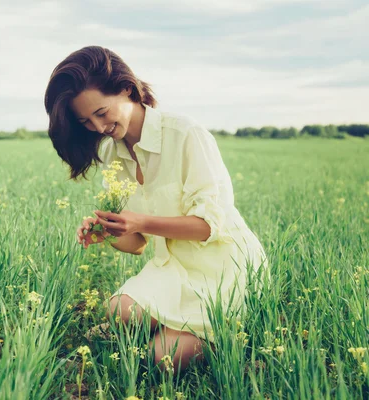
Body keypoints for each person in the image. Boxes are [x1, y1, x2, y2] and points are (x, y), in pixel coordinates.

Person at [44, 45, 268, 372]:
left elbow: (209, 226)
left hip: (222, 267)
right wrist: (108, 232)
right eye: (86, 121)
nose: (97, 126)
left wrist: (141, 220)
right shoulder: (112, 152)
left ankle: (223, 341)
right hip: (174, 267)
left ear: (127, 89)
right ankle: (170, 327)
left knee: (159, 358)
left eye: (102, 112)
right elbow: (136, 245)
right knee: (116, 311)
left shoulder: (185, 134)